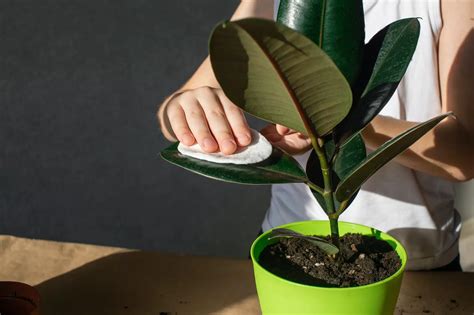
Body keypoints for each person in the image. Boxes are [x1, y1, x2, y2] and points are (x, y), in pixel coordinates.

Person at [157, 0, 474, 270]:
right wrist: (185, 107)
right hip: (292, 249)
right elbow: (176, 110)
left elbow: (464, 156)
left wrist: (340, 120)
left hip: (416, 261)